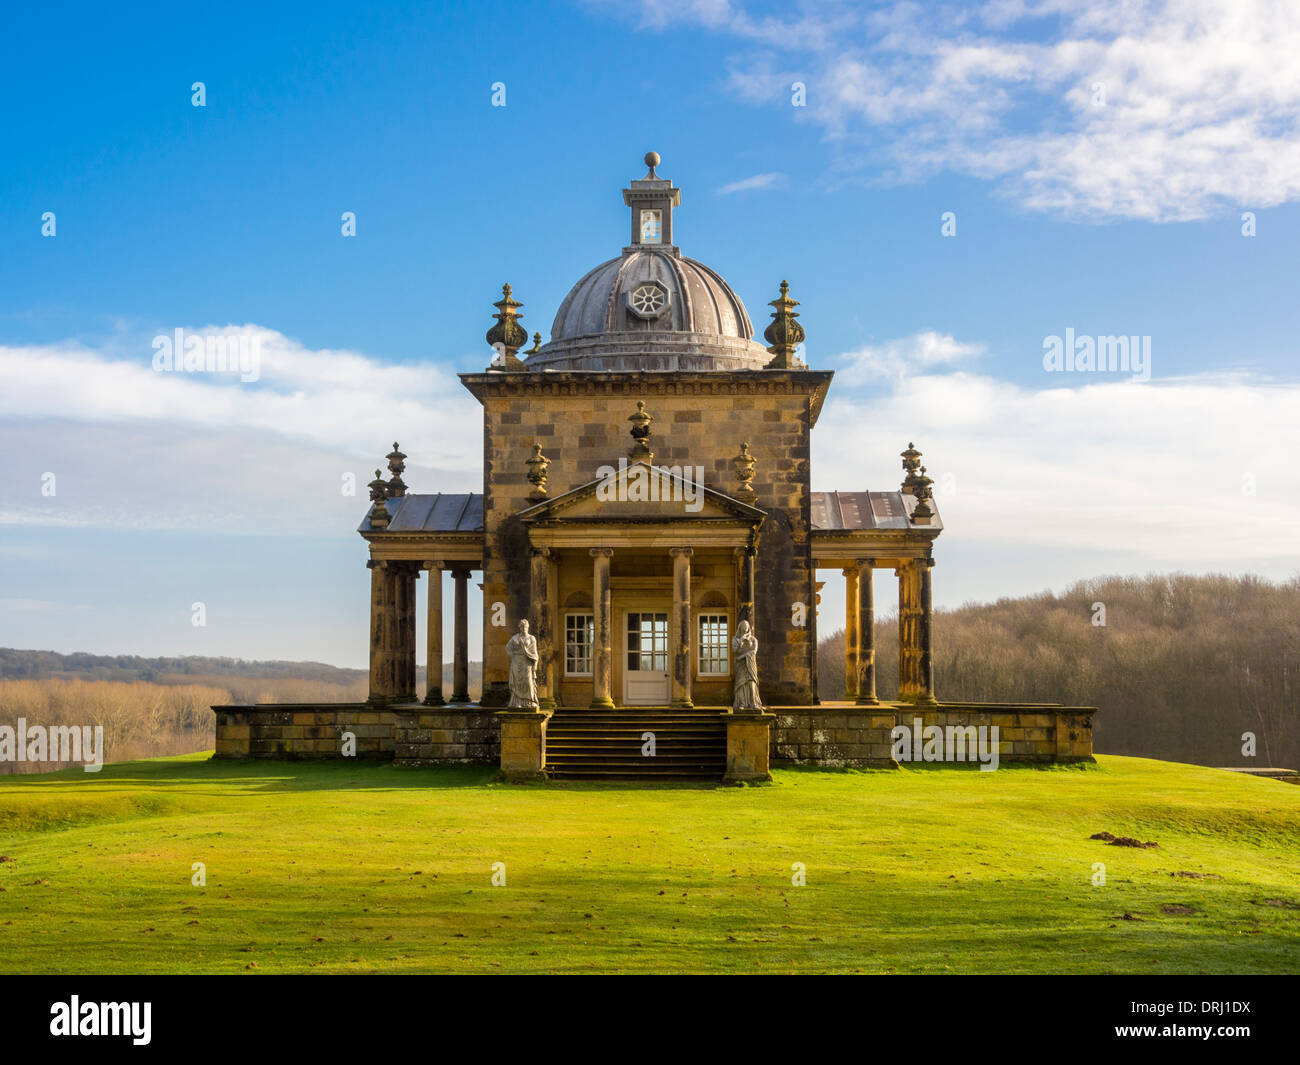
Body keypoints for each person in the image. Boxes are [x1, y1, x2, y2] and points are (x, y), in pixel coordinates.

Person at [506, 619, 539, 709]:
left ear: (528, 627)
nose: (524, 628)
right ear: (519, 627)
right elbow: (508, 648)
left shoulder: (531, 638)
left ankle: (529, 702)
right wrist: (513, 655)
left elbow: (534, 653)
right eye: (522, 626)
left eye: (525, 626)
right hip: (516, 662)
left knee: (528, 682)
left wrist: (535, 664)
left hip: (527, 662)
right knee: (517, 683)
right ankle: (517, 702)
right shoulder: (515, 638)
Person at [731, 619, 763, 711]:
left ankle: (753, 703)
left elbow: (753, 652)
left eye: (746, 626)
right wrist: (741, 640)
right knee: (741, 684)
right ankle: (742, 703)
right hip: (740, 665)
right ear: (740, 627)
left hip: (750, 665)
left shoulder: (753, 639)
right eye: (743, 626)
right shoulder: (735, 639)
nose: (745, 628)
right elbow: (735, 650)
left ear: (749, 627)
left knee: (751, 682)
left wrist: (742, 656)